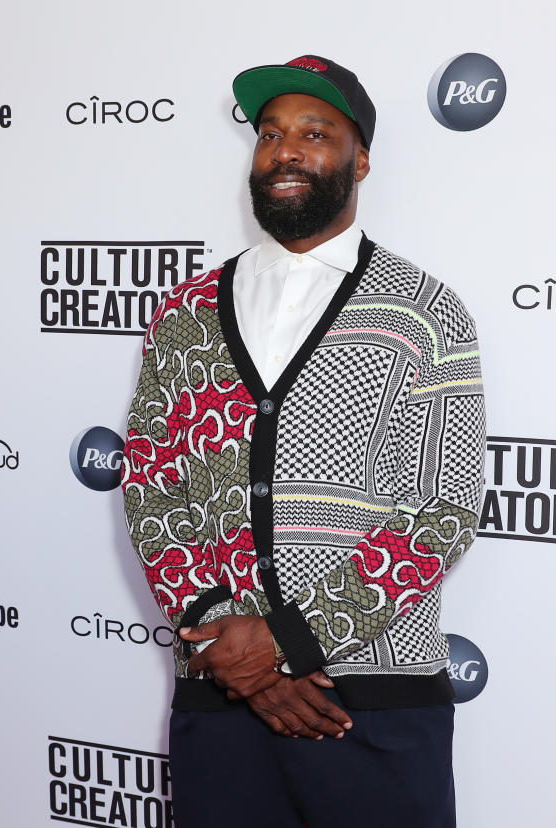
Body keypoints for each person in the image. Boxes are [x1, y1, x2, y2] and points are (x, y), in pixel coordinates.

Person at [121, 55, 485, 828]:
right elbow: (152, 483)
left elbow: (442, 509)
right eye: (271, 134)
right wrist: (231, 650)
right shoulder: (186, 311)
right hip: (219, 694)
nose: (285, 151)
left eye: (315, 133)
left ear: (360, 160)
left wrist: (286, 644)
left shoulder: (425, 312)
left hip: (373, 703)